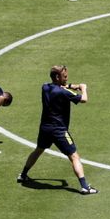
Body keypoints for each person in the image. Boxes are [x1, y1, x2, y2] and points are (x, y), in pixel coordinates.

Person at [17, 65, 97, 195]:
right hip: (59, 130)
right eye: (64, 76)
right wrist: (83, 88)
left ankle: (23, 175)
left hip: (45, 128)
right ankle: (85, 186)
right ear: (57, 77)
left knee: (38, 150)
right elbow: (83, 99)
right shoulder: (63, 93)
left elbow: (61, 87)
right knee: (74, 156)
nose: (67, 78)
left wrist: (71, 85)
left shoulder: (45, 87)